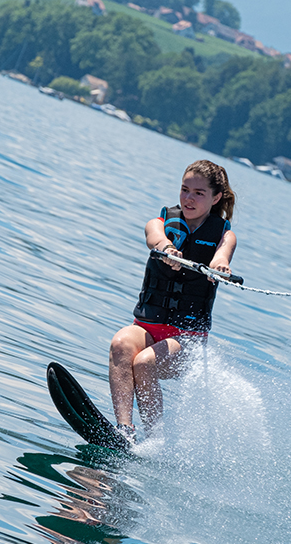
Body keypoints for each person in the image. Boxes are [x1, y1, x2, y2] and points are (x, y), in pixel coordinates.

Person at [108, 160, 237, 443]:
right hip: (148, 328)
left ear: (216, 197)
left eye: (198, 193)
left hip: (187, 340)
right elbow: (155, 238)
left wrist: (220, 266)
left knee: (144, 363)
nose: (188, 198)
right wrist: (167, 248)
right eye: (184, 189)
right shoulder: (161, 223)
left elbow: (222, 255)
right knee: (120, 344)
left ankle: (155, 443)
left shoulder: (224, 235)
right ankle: (125, 432)